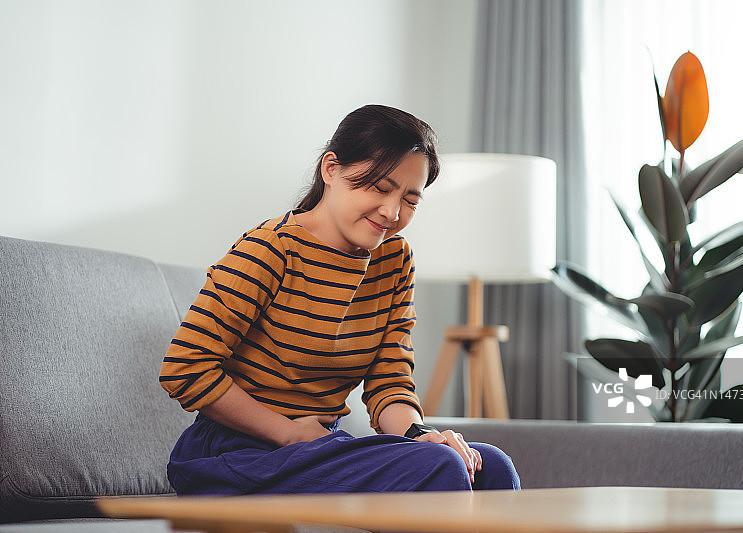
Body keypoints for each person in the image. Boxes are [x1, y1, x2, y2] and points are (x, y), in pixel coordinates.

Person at [159, 104, 520, 495]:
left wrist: (420, 435)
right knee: (439, 467)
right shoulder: (270, 249)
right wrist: (288, 433)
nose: (392, 211)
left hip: (319, 447)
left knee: (490, 465)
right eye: (380, 188)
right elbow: (185, 367)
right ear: (331, 169)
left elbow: (389, 380)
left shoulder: (394, 260)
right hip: (235, 452)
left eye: (410, 200)